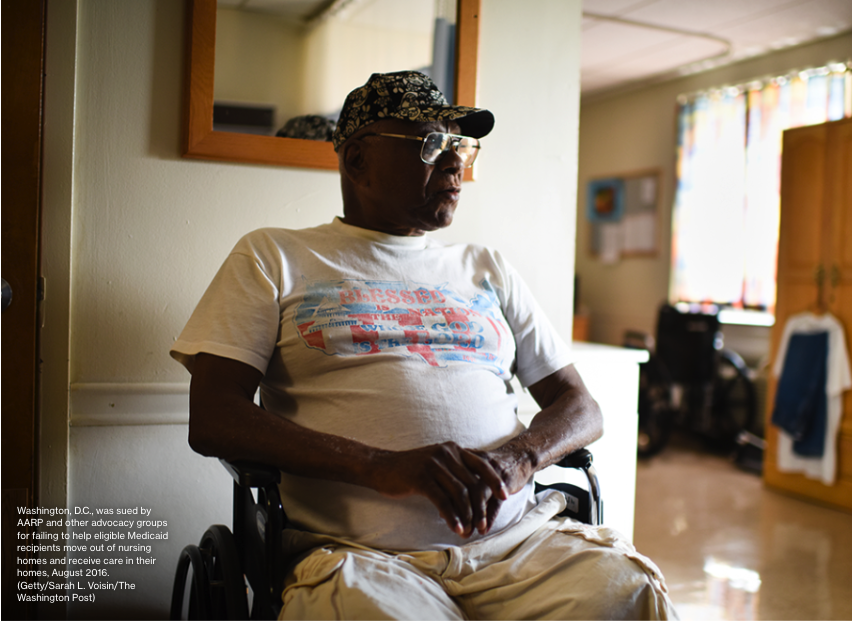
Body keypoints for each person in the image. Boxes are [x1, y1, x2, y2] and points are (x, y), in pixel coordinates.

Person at [171, 70, 676, 620]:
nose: (455, 163)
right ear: (358, 160)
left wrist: (520, 459)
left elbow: (581, 406)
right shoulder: (274, 257)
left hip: (517, 547)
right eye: (432, 144)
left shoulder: (486, 268)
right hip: (361, 557)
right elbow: (215, 416)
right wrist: (378, 465)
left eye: (460, 145)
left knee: (630, 592)